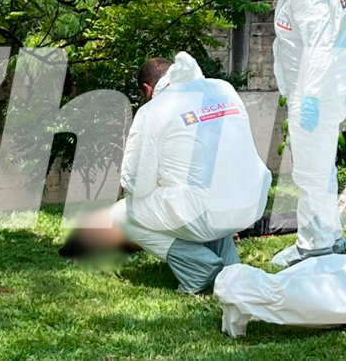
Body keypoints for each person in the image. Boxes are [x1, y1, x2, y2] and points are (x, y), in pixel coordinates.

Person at [60, 53, 273, 293]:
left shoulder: (154, 110)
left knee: (125, 213)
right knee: (206, 198)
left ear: (147, 89)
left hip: (203, 213)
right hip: (248, 204)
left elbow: (135, 183)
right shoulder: (223, 89)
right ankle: (230, 267)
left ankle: (199, 269)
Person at [250, 0, 346, 267]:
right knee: (321, 166)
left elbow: (319, 47)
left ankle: (312, 248)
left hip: (315, 90)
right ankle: (330, 234)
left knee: (309, 173)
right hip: (325, 86)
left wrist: (309, 97)